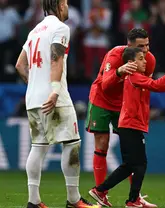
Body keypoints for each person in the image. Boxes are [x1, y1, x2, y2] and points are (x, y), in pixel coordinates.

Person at [15, 0, 100, 207]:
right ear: (60, 4)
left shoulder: (35, 30)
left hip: (33, 98)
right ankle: (74, 200)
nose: (68, 6)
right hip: (55, 97)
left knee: (38, 147)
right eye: (66, 2)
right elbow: (56, 59)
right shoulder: (60, 28)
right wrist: (53, 90)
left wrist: (35, 83)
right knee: (71, 144)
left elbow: (19, 65)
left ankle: (33, 201)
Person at [89, 47, 165, 207]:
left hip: (132, 124)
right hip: (130, 124)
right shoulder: (134, 76)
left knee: (131, 165)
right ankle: (128, 198)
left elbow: (163, 87)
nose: (145, 61)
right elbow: (157, 85)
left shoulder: (137, 77)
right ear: (131, 62)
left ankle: (106, 192)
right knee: (139, 164)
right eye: (141, 58)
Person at [85, 28, 155, 207]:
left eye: (147, 45)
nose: (146, 50)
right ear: (129, 45)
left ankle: (135, 197)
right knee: (101, 144)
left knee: (131, 153)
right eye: (141, 46)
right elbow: (106, 85)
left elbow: (144, 87)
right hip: (101, 100)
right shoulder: (115, 55)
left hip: (124, 105)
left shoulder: (150, 60)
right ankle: (102, 194)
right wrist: (120, 71)